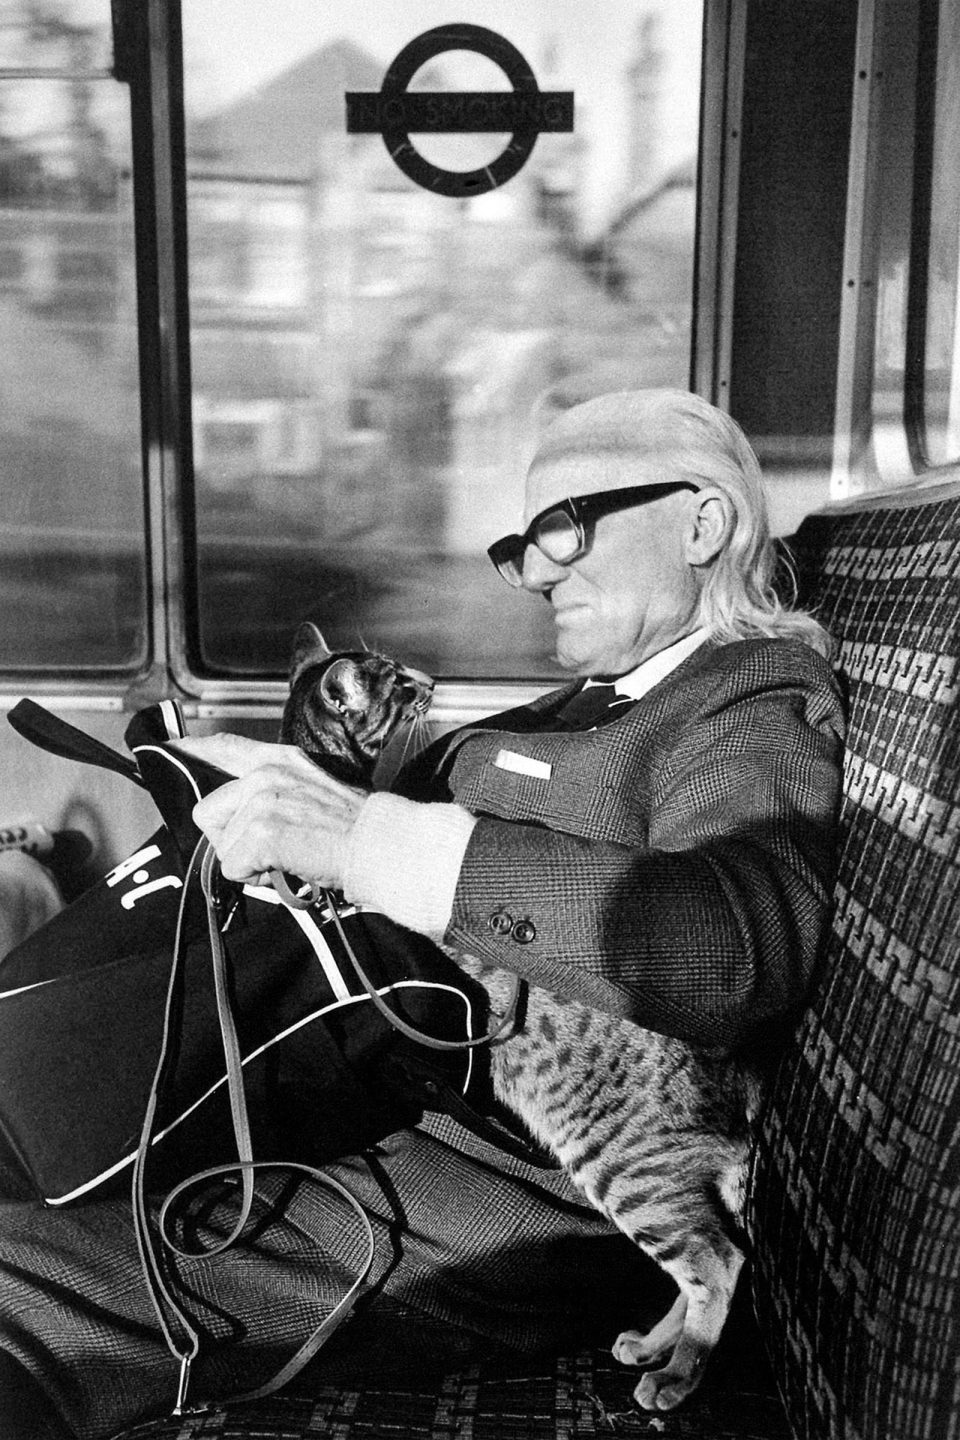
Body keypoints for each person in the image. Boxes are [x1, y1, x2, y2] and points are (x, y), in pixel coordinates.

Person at [0, 389, 844, 1440]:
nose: (537, 573)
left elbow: (736, 945)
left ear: (703, 523)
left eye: (564, 529)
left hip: (469, 1165)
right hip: (339, 1057)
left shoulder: (749, 700)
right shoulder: (585, 700)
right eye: (522, 547)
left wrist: (366, 840)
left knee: (19, 1285)